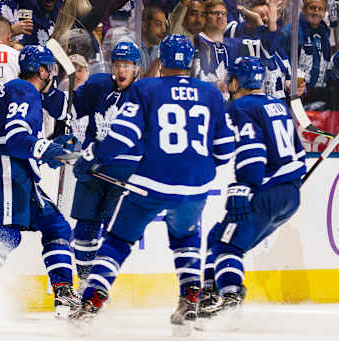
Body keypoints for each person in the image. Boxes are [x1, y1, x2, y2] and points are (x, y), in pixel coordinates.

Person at [68, 35, 235, 332]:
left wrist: (90, 157)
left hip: (150, 183)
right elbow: (224, 150)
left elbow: (122, 137)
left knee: (118, 240)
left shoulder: (146, 88)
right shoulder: (210, 93)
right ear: (191, 62)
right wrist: (196, 169)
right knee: (185, 238)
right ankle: (189, 297)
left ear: (160, 62)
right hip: (196, 187)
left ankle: (92, 298)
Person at [0, 45, 80, 319]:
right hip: (5, 164)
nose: (52, 76)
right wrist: (46, 149)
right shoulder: (25, 90)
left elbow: (29, 134)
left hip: (14, 165)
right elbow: (17, 138)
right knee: (8, 232)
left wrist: (48, 147)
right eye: (50, 69)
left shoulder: (21, 90)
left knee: (55, 225)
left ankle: (64, 294)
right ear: (43, 70)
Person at [197, 57, 306, 320]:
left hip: (265, 191)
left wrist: (244, 185)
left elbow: (253, 150)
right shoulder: (277, 105)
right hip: (290, 194)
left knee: (227, 246)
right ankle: (211, 292)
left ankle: (230, 297)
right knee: (218, 235)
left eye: (230, 79)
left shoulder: (241, 107)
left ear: (236, 82)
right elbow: (300, 154)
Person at [42, 41, 142, 288]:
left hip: (124, 171)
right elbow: (69, 109)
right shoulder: (98, 85)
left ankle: (100, 287)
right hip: (92, 169)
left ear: (137, 69)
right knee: (85, 229)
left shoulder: (145, 94)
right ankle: (87, 284)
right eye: (118, 64)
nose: (121, 70)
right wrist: (49, 89)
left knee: (113, 233)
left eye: (127, 65)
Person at [140, 5, 167, 78]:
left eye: (165, 25)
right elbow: (140, 83)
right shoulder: (131, 44)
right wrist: (159, 58)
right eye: (159, 24)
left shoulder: (160, 47)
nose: (164, 30)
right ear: (145, 26)